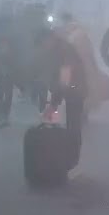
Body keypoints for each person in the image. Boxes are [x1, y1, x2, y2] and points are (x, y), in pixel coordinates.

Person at [37, 27, 88, 163]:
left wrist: (53, 103)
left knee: (73, 124)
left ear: (49, 39)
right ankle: (68, 155)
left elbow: (65, 78)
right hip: (71, 87)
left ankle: (72, 157)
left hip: (76, 88)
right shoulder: (55, 49)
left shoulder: (64, 50)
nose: (44, 46)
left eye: (44, 43)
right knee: (70, 122)